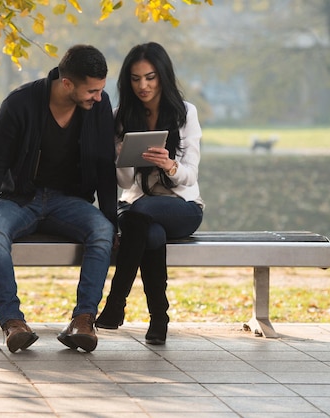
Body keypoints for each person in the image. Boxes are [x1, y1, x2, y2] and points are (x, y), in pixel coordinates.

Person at [0, 45, 117, 353]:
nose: (98, 98)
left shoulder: (98, 107)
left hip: (69, 202)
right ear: (67, 83)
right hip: (20, 200)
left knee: (102, 230)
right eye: (92, 91)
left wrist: (112, 221)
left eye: (101, 90)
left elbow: (104, 167)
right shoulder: (19, 105)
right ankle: (13, 323)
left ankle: (83, 321)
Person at [96, 42, 204, 345]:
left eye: (150, 77)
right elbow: (124, 182)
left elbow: (190, 175)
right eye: (135, 78)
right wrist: (124, 157)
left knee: (138, 217)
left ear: (163, 77)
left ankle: (116, 302)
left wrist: (170, 165)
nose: (143, 85)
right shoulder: (120, 116)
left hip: (180, 207)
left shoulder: (185, 113)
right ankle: (159, 318)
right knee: (149, 234)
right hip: (139, 208)